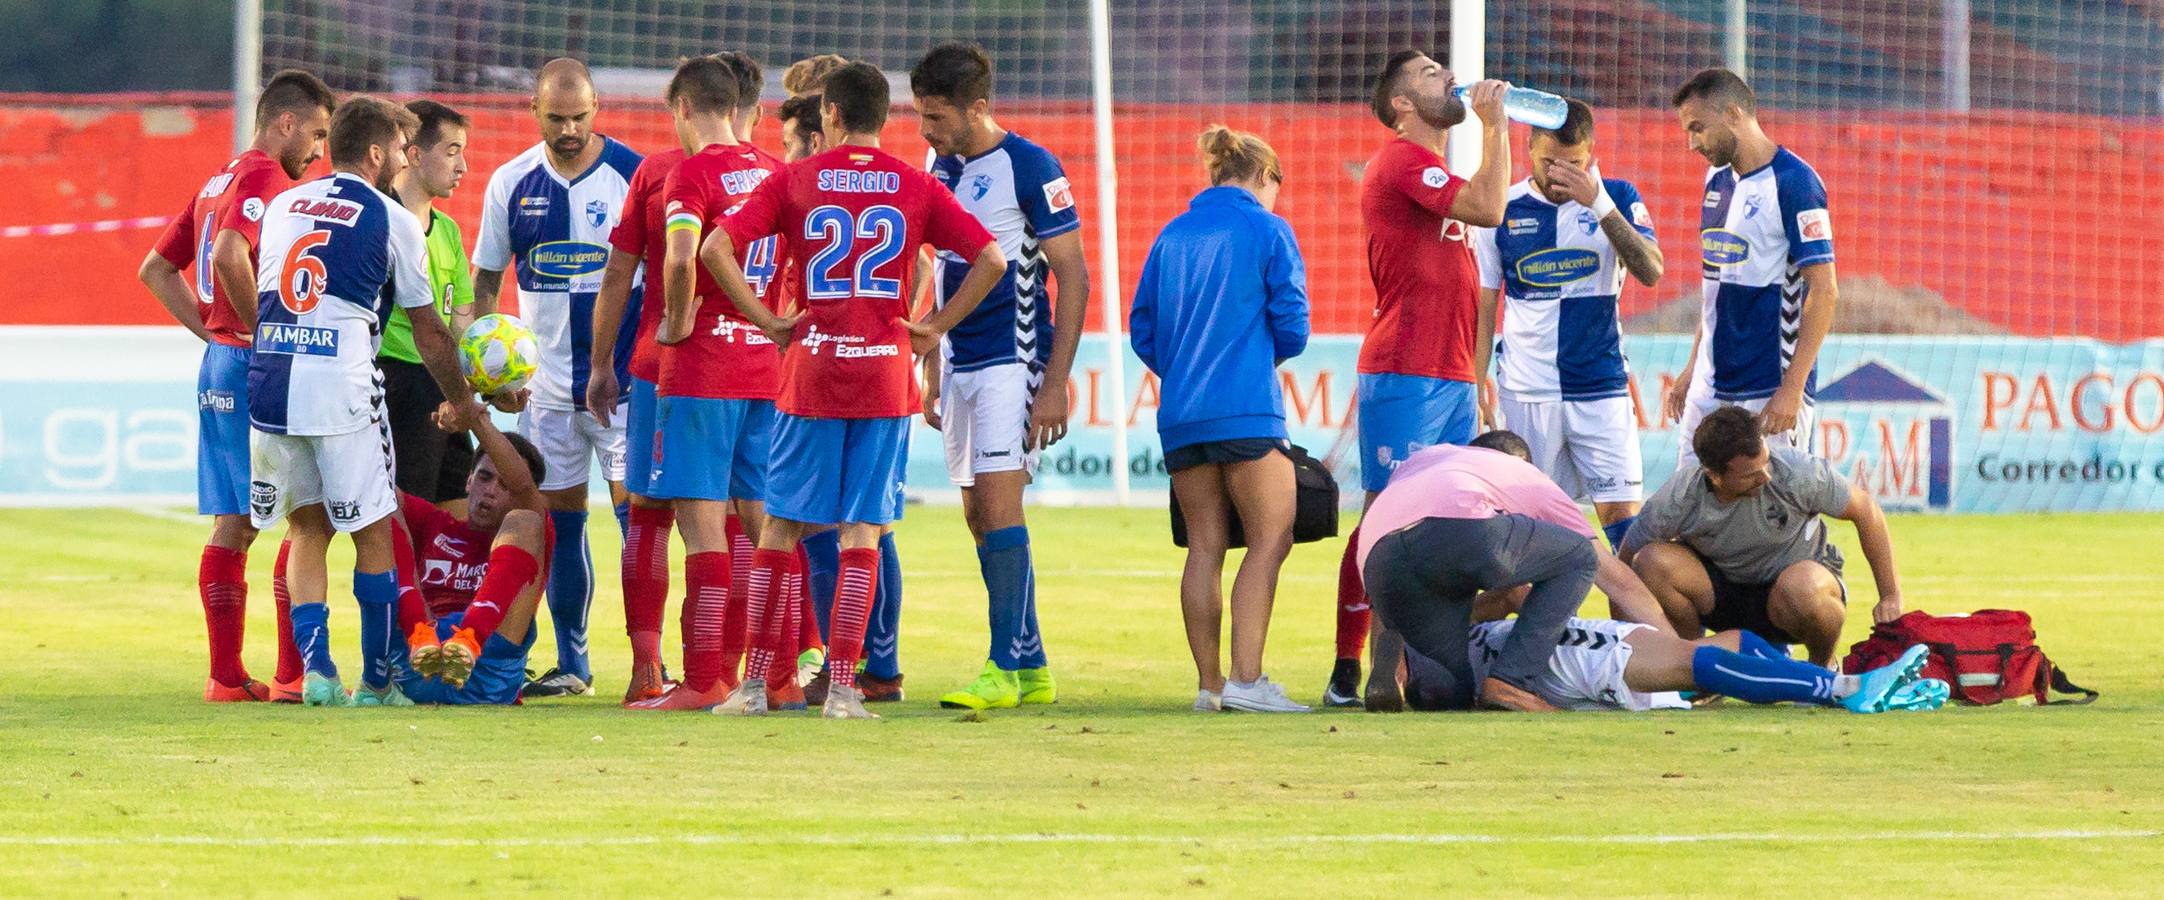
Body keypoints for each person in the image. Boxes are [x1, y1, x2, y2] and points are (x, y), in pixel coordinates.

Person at [700, 61, 1005, 718]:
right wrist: (931, 330)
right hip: (883, 375)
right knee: (862, 530)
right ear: (884, 118)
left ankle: (754, 686)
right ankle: (845, 688)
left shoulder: (796, 179)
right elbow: (991, 259)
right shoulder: (914, 185)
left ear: (830, 115)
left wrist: (770, 323)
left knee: (780, 526)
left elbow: (716, 249)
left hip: (811, 371)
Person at [247, 96, 482, 707]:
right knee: (375, 530)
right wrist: (464, 403)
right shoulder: (393, 219)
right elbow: (430, 331)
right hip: (341, 385)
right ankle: (377, 681)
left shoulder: (281, 206)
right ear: (377, 154)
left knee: (307, 530)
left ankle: (319, 672)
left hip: (272, 382)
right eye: (402, 150)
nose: (405, 159)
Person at [138, 68, 334, 702]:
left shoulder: (218, 177)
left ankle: (226, 677)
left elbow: (155, 269)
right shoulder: (262, 178)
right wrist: (265, 335)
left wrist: (216, 331)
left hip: (222, 363)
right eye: (316, 134)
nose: (318, 151)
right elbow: (228, 254)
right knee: (309, 518)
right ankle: (290, 675)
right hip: (255, 364)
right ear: (286, 122)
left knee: (236, 524)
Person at [1329, 51, 1514, 712]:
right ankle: (1362, 664)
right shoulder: (1403, 159)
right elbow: (1490, 204)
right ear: (1401, 104)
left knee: (1439, 518)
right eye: (1430, 72)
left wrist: (1474, 370)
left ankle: (1415, 662)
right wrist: (1496, 126)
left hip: (1450, 373)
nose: (1448, 76)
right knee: (1386, 519)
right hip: (1405, 367)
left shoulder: (1435, 169)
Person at [912, 42, 1092, 711]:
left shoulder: (1030, 166)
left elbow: (1073, 274)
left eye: (937, 117)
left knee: (998, 508)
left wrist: (1055, 381)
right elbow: (943, 265)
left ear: (978, 107)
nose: (926, 131)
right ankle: (1033, 661)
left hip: (1013, 362)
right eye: (922, 116)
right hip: (959, 359)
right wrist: (933, 361)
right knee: (973, 514)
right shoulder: (938, 164)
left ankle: (1000, 669)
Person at [473, 57, 645, 698]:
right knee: (559, 527)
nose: (569, 129)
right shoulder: (509, 182)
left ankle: (648, 663)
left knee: (639, 528)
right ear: (535, 112)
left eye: (580, 117)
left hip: (623, 392)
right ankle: (573, 665)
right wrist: (486, 372)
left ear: (597, 108)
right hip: (544, 395)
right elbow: (485, 287)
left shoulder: (634, 175)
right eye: (556, 118)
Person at [626, 56, 789, 711]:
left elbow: (680, 253)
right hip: (765, 370)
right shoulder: (776, 171)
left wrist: (676, 319)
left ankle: (701, 680)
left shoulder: (692, 173)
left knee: (701, 532)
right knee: (768, 527)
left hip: (703, 369)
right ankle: (775, 679)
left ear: (686, 108)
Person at [1130, 125, 1310, 713]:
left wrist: (1184, 368)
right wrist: (1254, 360)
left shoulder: (1171, 235)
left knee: (1204, 546)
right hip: (1247, 409)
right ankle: (1248, 680)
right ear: (1264, 176)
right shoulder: (1267, 227)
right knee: (1269, 539)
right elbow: (1294, 325)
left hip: (1182, 414)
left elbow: (1144, 330)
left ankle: (1209, 686)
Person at [1356, 431, 1670, 712]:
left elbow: (1384, 596)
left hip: (1377, 555)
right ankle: (1510, 680)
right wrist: (1671, 646)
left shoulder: (1428, 460)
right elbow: (1618, 581)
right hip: (1455, 531)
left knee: (1449, 693)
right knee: (1579, 556)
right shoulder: (1528, 478)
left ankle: (1400, 672)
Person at [1471, 98, 1663, 551]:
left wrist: (1598, 203)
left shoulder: (1618, 197)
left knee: (1625, 531)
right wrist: (1475, 384)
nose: (1559, 174)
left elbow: (1652, 271)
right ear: (1529, 148)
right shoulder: (1501, 209)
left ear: (1591, 154)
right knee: (1531, 528)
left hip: (1601, 387)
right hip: (1527, 390)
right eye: (1548, 162)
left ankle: (1631, 626)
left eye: (1573, 164)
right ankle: (1548, 624)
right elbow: (1483, 306)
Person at [1621, 405, 1906, 667]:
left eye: (1765, 464)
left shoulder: (1798, 472)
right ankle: (1689, 663)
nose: (1766, 477)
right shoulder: (1678, 497)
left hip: (1790, 598)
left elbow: (1866, 511)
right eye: (1750, 475)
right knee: (1651, 561)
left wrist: (1890, 596)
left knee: (1804, 586)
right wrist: (1621, 645)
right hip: (1722, 595)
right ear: (1714, 475)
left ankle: (1822, 668)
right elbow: (1625, 564)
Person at [1666, 68, 1839, 466]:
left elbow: (1825, 291)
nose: (1692, 144)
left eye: (1697, 128)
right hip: (1709, 387)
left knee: (1780, 516)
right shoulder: (1715, 180)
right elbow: (1716, 288)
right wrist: (1693, 366)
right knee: (1689, 509)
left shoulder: (1795, 182)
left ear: (1732, 113)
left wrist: (1792, 388)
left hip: (1768, 385)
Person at [1402, 613, 1947, 714]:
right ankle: (1843, 687)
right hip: (1579, 663)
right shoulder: (1433, 668)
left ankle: (1833, 686)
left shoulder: (1456, 622)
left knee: (1735, 642)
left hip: (1585, 639)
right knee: (1702, 662)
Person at [394, 407, 558, 705]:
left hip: (487, 670)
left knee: (526, 520)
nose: (491, 491)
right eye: (484, 477)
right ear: (468, 481)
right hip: (418, 659)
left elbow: (524, 493)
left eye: (505, 485)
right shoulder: (433, 523)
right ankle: (418, 631)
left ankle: (470, 637)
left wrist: (474, 417)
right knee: (384, 509)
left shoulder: (533, 532)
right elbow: (378, 488)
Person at [379, 100, 481, 519]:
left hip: (447, 386)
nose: (464, 168)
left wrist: (490, 381)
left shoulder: (449, 231)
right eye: (452, 151)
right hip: (399, 384)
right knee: (402, 525)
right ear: (415, 155)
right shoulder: (378, 220)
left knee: (459, 524)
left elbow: (463, 321)